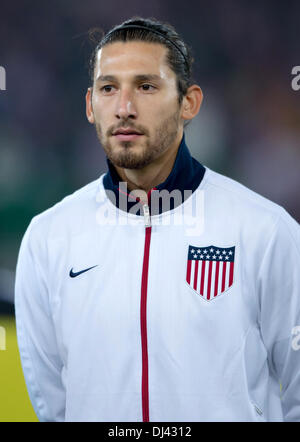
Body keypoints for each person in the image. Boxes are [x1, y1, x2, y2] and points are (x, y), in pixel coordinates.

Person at [15, 16, 300, 422]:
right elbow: (55, 404)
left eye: (146, 86)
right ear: (90, 106)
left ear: (190, 103)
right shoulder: (48, 239)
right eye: (108, 88)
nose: (125, 108)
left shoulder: (266, 232)